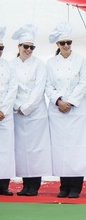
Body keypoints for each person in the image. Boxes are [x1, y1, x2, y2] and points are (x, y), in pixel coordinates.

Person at [46, 22, 86, 198]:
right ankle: (63, 186)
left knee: (77, 149)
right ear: (57, 45)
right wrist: (59, 101)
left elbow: (84, 83)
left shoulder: (82, 60)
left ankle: (76, 187)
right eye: (62, 43)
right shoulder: (50, 63)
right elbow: (48, 85)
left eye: (68, 42)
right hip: (58, 112)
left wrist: (71, 102)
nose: (66, 45)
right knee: (61, 149)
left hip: (77, 111)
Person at [12, 24, 51, 196]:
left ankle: (34, 185)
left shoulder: (39, 65)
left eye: (31, 47)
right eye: (25, 46)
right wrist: (17, 106)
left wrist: (27, 107)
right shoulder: (10, 65)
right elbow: (10, 88)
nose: (28, 50)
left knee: (36, 150)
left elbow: (39, 88)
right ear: (19, 47)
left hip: (36, 113)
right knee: (21, 150)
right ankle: (24, 184)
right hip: (17, 112)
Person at [0, 27, 18, 196]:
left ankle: (3, 185)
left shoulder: (8, 65)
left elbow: (13, 88)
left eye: (1, 48)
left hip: (5, 115)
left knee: (5, 150)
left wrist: (3, 110)